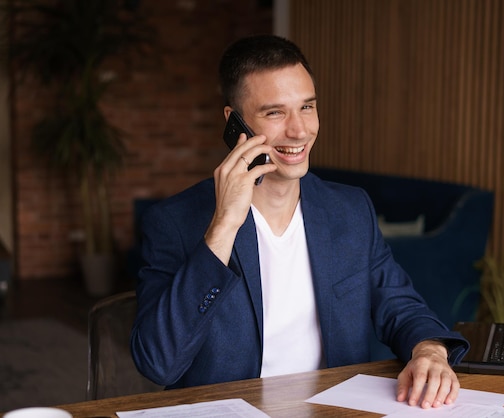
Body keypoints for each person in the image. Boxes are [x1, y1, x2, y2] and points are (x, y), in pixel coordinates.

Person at [131, 34, 469, 409]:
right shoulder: (175, 222)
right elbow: (157, 364)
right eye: (275, 112)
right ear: (234, 123)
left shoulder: (349, 210)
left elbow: (401, 307)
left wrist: (430, 352)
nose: (299, 130)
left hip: (333, 411)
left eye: (307, 107)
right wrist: (224, 226)